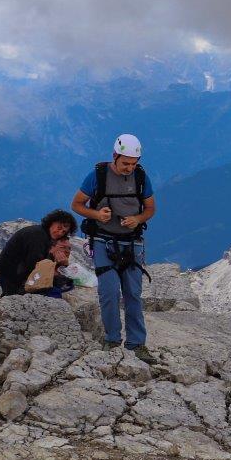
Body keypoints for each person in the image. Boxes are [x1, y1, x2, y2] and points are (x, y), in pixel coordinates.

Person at [71, 133, 158, 363]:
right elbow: (77, 204)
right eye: (125, 163)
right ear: (115, 156)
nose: (129, 168)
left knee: (133, 294)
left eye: (133, 163)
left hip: (132, 242)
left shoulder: (141, 177)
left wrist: (138, 219)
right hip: (102, 240)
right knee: (109, 293)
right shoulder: (97, 176)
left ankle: (136, 344)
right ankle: (111, 340)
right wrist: (97, 214)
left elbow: (150, 209)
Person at [0, 209, 78, 358]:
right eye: (59, 226)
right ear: (51, 222)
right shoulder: (36, 235)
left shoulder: (45, 236)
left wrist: (59, 264)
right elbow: (35, 265)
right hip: (11, 275)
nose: (60, 231)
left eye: (64, 230)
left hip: (15, 274)